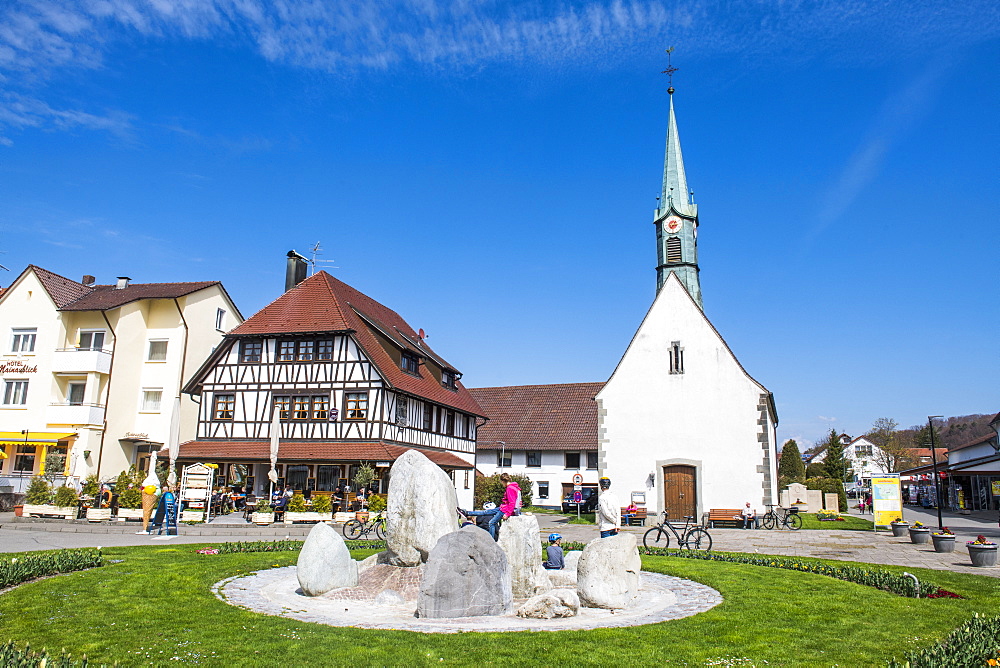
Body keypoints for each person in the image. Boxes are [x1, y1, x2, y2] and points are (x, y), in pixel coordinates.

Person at [459, 473, 522, 541]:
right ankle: (467, 513)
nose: (502, 484)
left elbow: (512, 502)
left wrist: (507, 514)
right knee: (486, 512)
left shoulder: (510, 488)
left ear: (503, 481)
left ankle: (491, 541)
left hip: (505, 510)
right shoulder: (514, 487)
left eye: (501, 482)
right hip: (503, 507)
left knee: (491, 522)